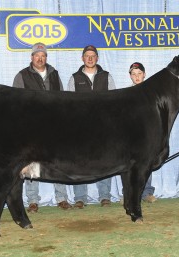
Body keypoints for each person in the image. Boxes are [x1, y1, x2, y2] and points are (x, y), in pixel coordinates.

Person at [12, 42, 72, 213]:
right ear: (32, 57)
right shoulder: (22, 76)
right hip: (31, 128)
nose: (40, 58)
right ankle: (32, 201)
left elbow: (62, 99)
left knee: (57, 162)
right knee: (32, 163)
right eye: (37, 55)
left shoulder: (54, 74)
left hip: (53, 127)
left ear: (46, 57)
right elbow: (17, 103)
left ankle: (62, 198)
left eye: (43, 55)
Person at [67, 45, 115, 208]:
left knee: (105, 161)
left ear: (97, 58)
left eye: (93, 55)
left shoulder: (106, 77)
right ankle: (80, 198)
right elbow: (69, 104)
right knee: (79, 161)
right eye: (87, 56)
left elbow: (113, 102)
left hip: (103, 127)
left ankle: (105, 196)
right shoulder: (74, 78)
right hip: (81, 128)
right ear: (82, 58)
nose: (90, 58)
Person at [128, 62, 156, 203]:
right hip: (131, 134)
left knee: (147, 163)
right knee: (129, 165)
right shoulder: (126, 94)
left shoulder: (151, 94)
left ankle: (147, 193)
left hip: (147, 134)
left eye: (139, 73)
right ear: (130, 76)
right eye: (134, 74)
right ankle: (129, 194)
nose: (137, 76)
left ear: (144, 74)